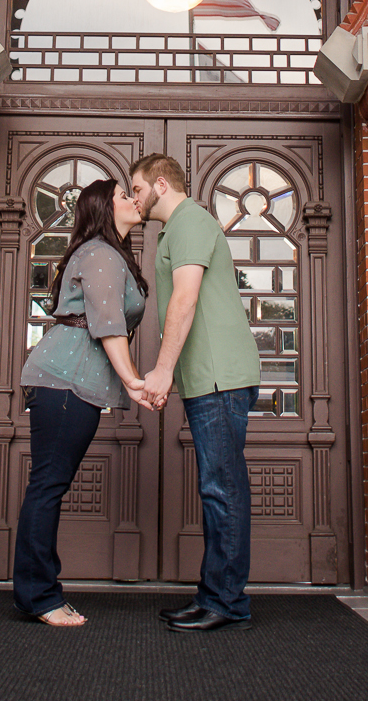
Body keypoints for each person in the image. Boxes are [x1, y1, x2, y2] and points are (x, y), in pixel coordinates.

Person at [129, 152, 260, 633]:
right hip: (212, 377)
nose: (135, 200)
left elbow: (185, 297)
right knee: (220, 489)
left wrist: (163, 370)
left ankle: (226, 603)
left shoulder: (188, 221)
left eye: (138, 190)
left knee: (221, 489)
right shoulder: (180, 227)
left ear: (160, 185)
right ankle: (216, 595)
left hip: (220, 377)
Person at [12, 177, 148, 626]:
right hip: (64, 381)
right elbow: (108, 324)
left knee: (50, 483)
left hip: (73, 382)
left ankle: (40, 592)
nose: (134, 199)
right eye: (124, 195)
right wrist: (133, 381)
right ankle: (40, 597)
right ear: (104, 208)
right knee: (49, 484)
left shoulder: (109, 254)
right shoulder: (102, 254)